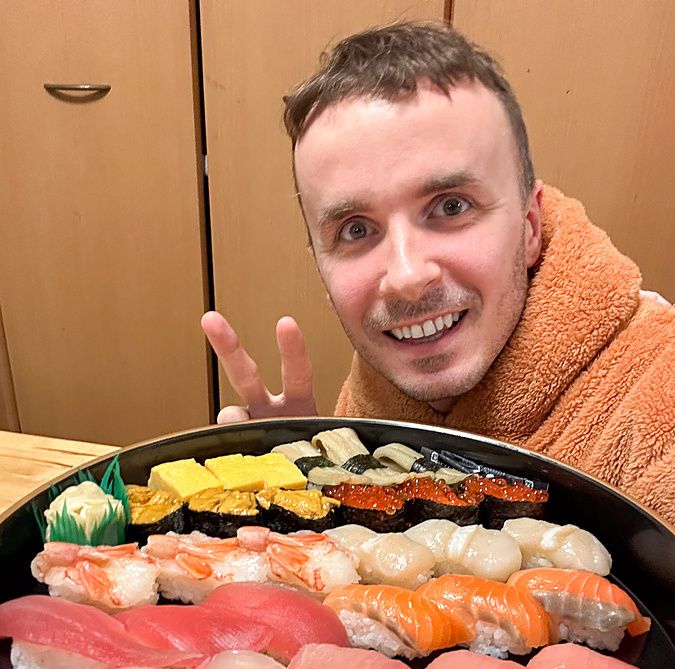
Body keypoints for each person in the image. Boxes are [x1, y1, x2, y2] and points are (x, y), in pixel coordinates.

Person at [201, 22, 674, 524]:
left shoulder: (658, 409)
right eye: (356, 230)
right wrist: (312, 477)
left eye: (450, 206)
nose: (405, 275)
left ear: (530, 226)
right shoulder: (371, 403)